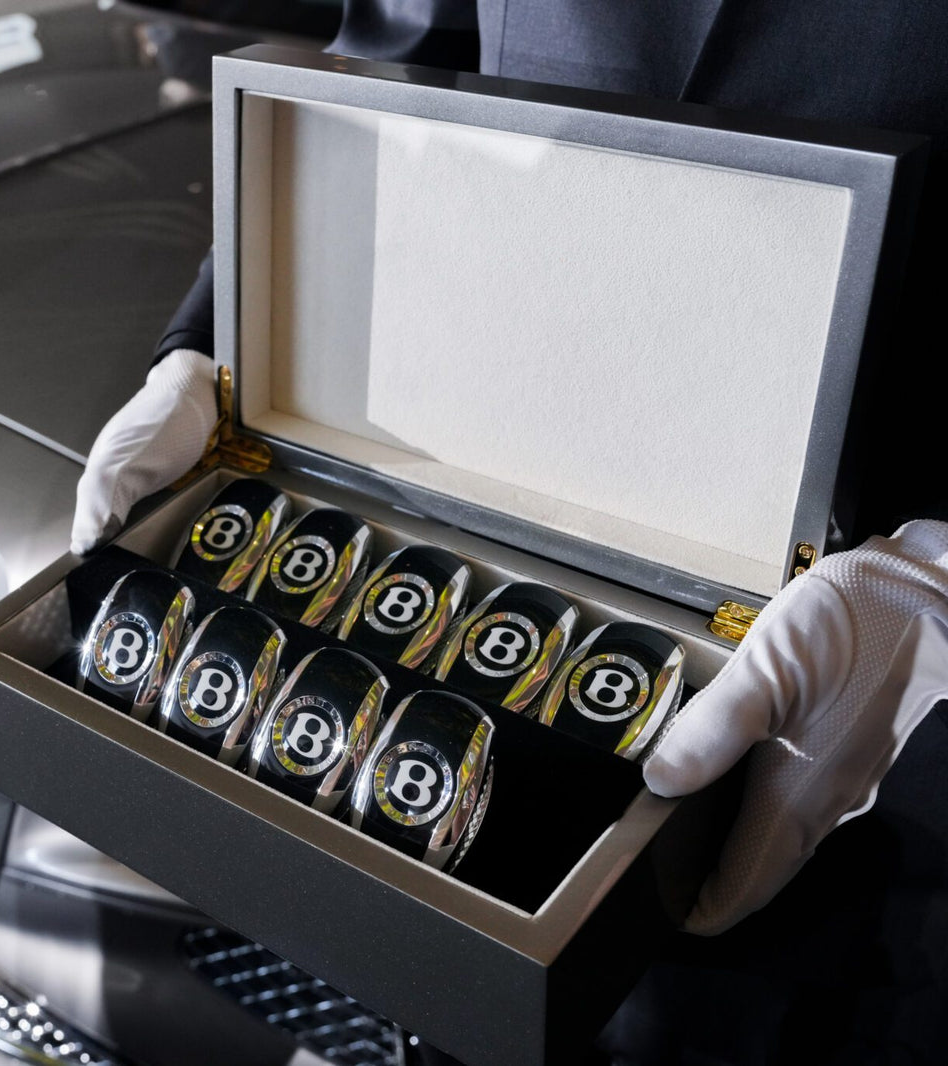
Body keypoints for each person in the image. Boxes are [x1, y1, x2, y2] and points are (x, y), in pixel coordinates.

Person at [72, 1, 948, 1060]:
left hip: (879, 677)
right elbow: (406, 46)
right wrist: (218, 343)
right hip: (487, 456)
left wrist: (936, 568)